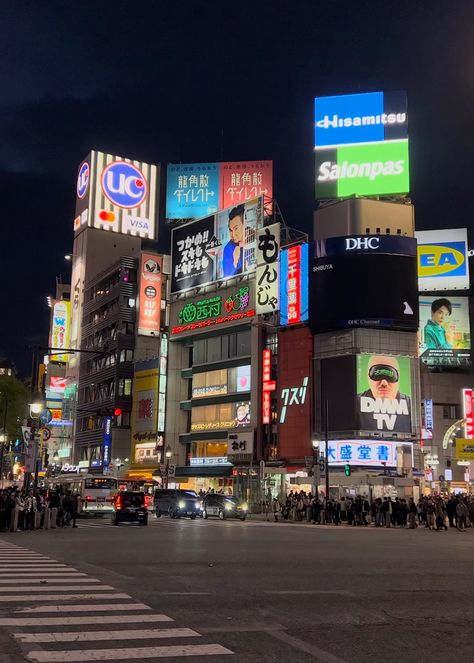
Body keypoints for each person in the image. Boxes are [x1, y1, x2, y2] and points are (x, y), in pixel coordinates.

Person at [358, 355, 412, 433]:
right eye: (377, 374)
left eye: (390, 375)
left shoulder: (411, 406)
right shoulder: (354, 403)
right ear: (368, 377)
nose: (384, 383)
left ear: (398, 377)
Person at [222, 205, 245, 277]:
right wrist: (235, 262)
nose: (233, 235)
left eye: (236, 228)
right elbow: (227, 276)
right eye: (230, 230)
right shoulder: (228, 248)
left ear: (244, 224)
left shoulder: (253, 235)